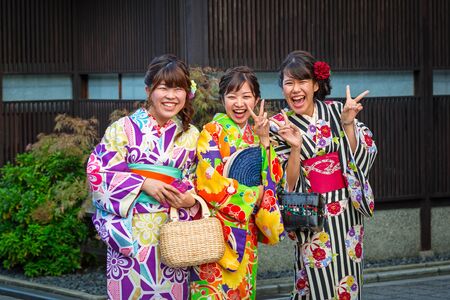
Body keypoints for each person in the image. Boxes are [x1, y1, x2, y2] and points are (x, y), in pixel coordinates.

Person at [86, 54, 200, 299]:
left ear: (187, 94)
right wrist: (143, 183)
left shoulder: (192, 135)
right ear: (149, 90)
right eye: (164, 88)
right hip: (132, 234)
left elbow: (200, 178)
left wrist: (191, 199)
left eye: (178, 88)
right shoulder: (123, 128)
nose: (171, 96)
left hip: (174, 234)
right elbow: (98, 172)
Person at [270, 50, 377, 300]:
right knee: (312, 280)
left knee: (347, 280)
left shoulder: (338, 111)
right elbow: (286, 182)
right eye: (289, 83)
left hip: (346, 213)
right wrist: (295, 148)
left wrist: (349, 124)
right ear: (283, 88)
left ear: (315, 85)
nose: (296, 89)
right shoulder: (279, 124)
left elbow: (362, 154)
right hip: (310, 213)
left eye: (302, 81)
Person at [190, 66, 285, 299]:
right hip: (216, 234)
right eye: (232, 96)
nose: (239, 103)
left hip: (248, 236)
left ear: (257, 99)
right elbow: (207, 180)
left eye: (246, 96)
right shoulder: (211, 132)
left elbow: (273, 177)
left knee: (244, 292)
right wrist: (252, 195)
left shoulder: (258, 134)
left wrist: (264, 139)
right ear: (222, 99)